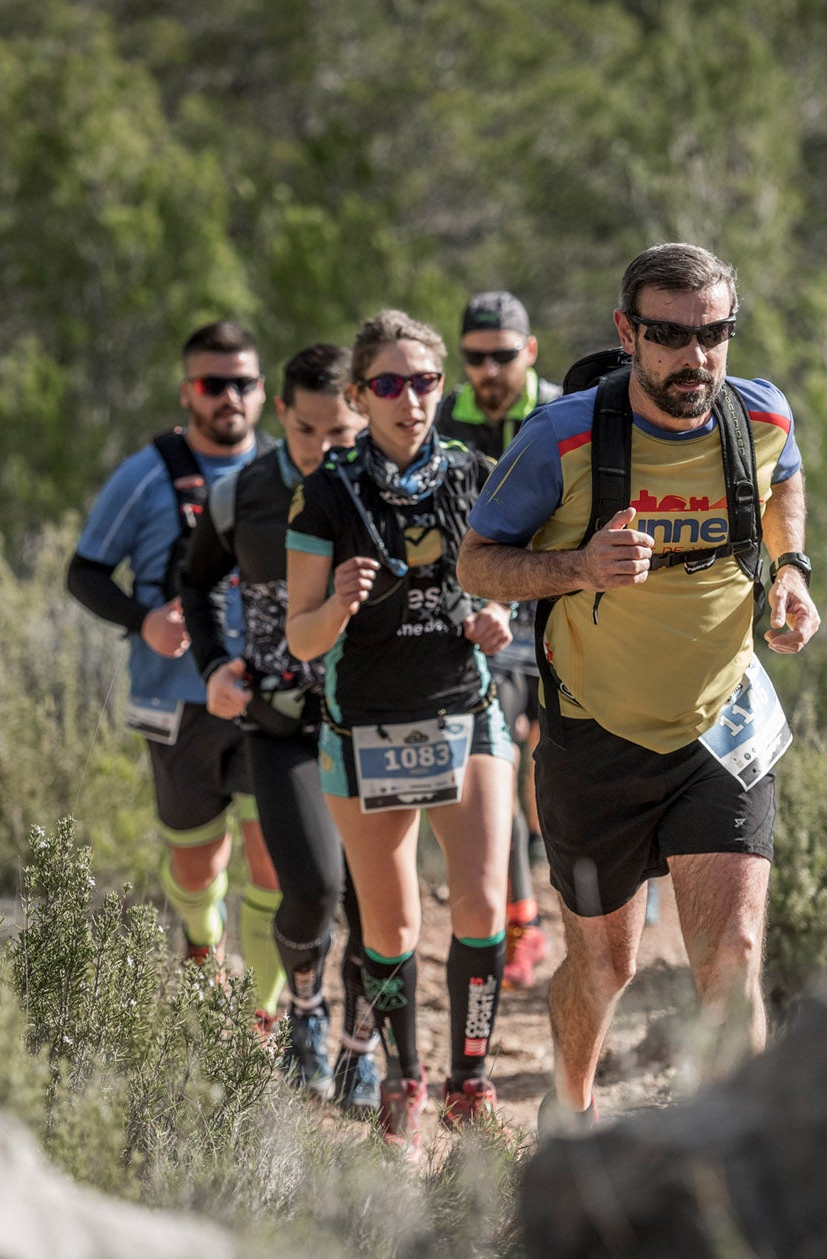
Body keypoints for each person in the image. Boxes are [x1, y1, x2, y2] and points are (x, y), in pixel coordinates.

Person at [455, 243, 820, 1132]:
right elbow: (477, 562)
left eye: (714, 334)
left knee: (732, 954)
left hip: (720, 729)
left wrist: (793, 570)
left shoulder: (760, 416)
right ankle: (569, 1110)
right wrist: (579, 564)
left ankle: (741, 1155)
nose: (694, 358)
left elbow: (788, 478)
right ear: (629, 333)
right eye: (669, 336)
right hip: (596, 738)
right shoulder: (564, 437)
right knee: (604, 967)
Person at [286, 309, 518, 1149]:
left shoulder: (474, 471)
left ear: (440, 387)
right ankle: (402, 1078)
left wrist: (498, 610)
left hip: (467, 708)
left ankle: (472, 1079)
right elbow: (300, 638)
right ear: (358, 395)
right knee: (390, 930)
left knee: (484, 907)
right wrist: (340, 602)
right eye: (388, 384)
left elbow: (508, 575)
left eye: (424, 382)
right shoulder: (326, 491)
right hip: (365, 729)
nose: (409, 399)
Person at [180, 344, 384, 1109]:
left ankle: (363, 1049)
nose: (326, 449)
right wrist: (213, 668)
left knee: (374, 903)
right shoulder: (244, 494)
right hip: (282, 724)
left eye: (342, 434)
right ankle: (306, 1011)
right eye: (308, 433)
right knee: (314, 885)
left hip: (374, 723)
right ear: (283, 418)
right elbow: (194, 582)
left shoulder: (386, 490)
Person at [66, 322, 283, 1021]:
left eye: (243, 383)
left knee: (273, 860)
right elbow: (85, 572)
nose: (229, 397)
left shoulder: (284, 471)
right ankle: (200, 942)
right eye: (212, 384)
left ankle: (263, 1018)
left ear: (262, 391)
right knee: (198, 863)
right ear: (187, 391)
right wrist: (143, 620)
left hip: (267, 699)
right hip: (176, 701)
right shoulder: (147, 473)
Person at [435, 290, 563, 992]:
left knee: (565, 758)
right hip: (487, 618)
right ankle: (523, 922)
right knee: (498, 754)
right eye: (476, 358)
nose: (489, 370)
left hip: (563, 606)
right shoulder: (442, 415)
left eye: (503, 357)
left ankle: (620, 887)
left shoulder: (561, 409)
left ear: (531, 351)